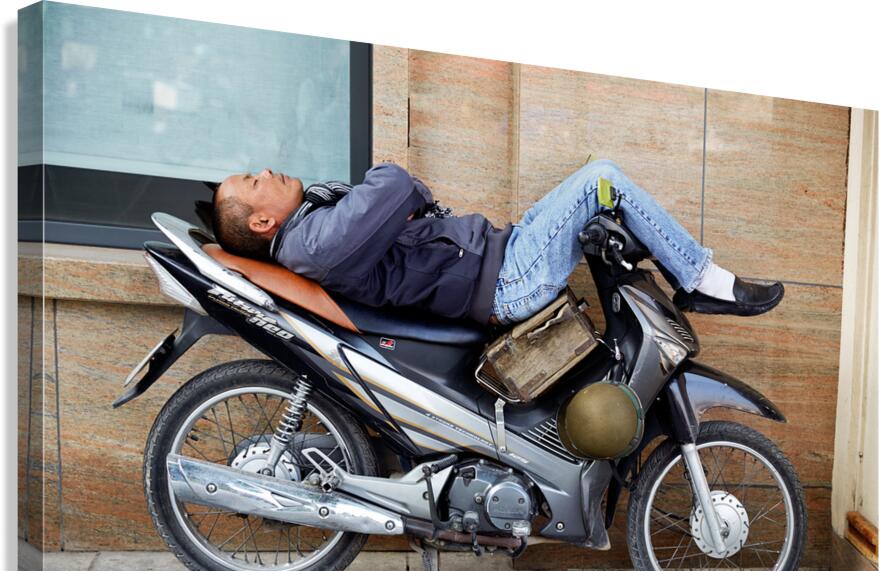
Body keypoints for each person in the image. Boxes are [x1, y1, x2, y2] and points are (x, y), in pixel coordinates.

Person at [210, 160, 784, 324]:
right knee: (599, 178)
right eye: (254, 183)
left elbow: (403, 199)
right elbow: (397, 184)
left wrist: (399, 195)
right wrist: (395, 186)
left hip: (502, 253)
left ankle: (682, 275)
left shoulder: (317, 227)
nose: (266, 171)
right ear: (262, 223)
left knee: (599, 186)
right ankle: (703, 282)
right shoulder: (309, 243)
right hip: (507, 279)